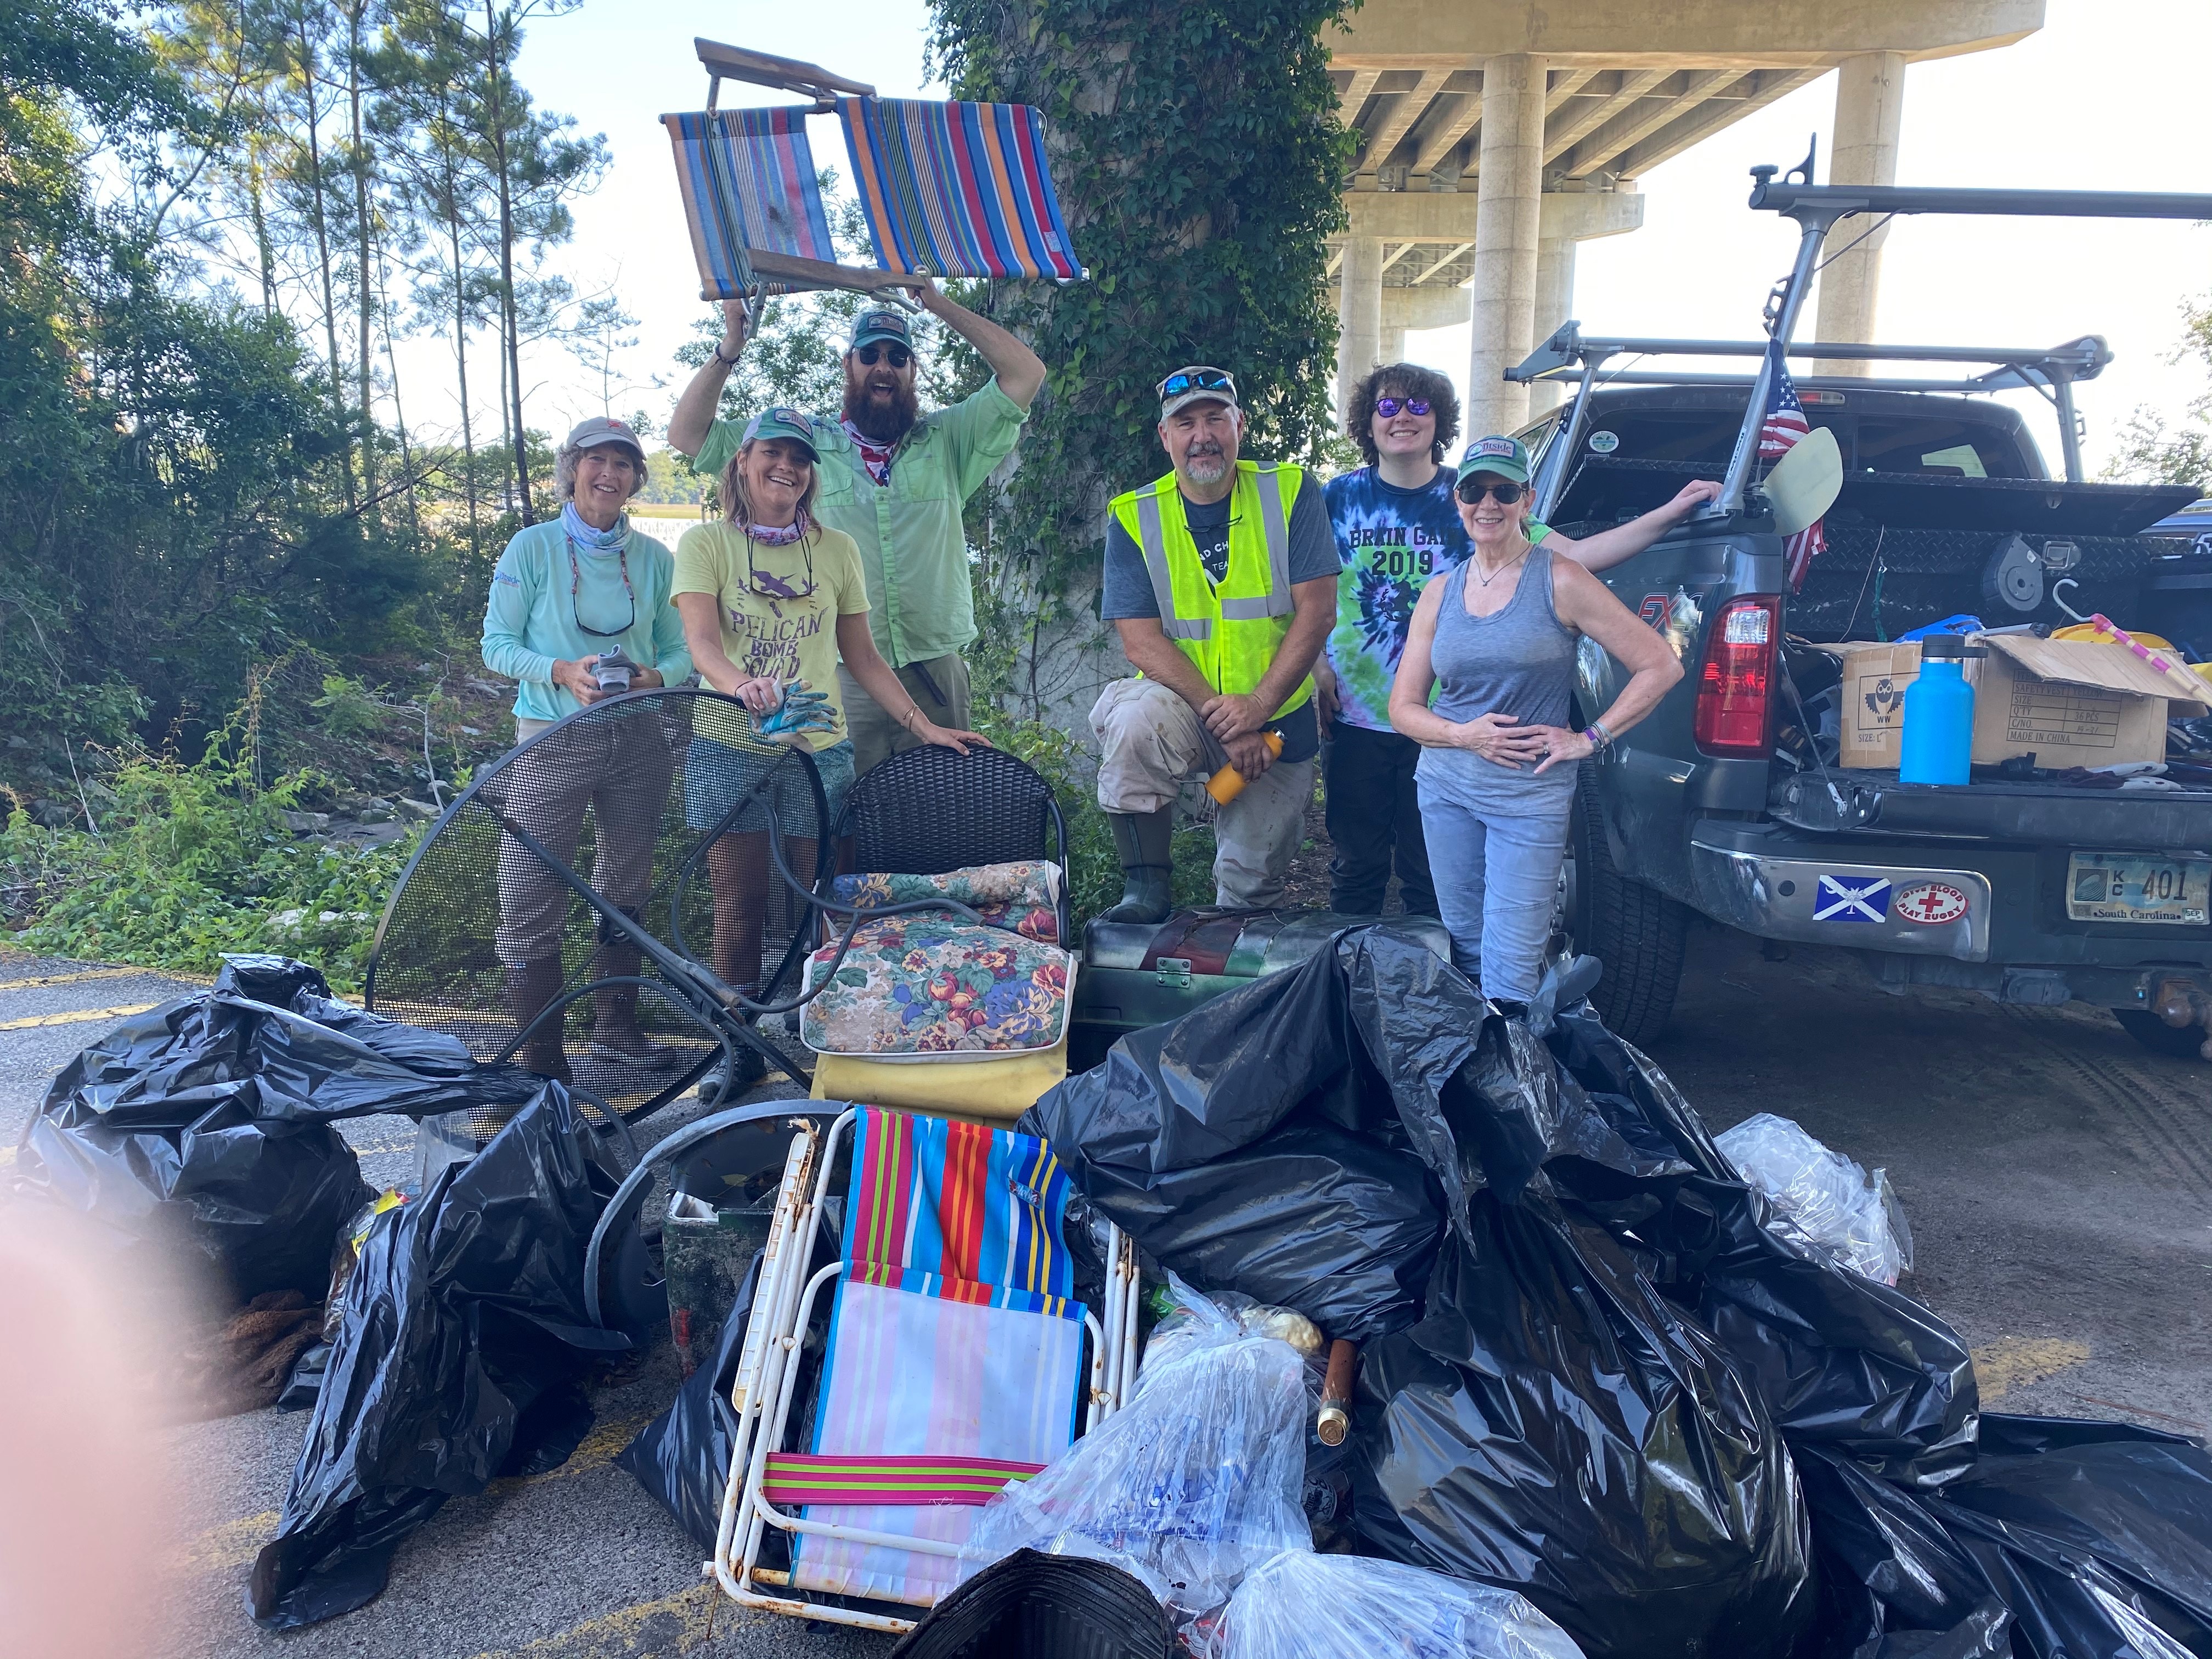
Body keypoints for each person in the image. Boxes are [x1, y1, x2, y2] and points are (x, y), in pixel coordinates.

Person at [1319, 362, 1723, 918]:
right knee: (1355, 865)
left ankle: (1434, 993)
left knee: (1430, 877)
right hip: (1357, 713)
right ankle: (1347, 986)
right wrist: (1316, 665)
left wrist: (1672, 513)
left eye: (1419, 406)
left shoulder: (1480, 494)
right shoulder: (1335, 499)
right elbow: (1303, 589)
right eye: (1388, 406)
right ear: (1368, 421)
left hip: (1457, 723)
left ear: (1441, 421)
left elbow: (1577, 557)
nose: (1403, 417)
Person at [674, 408, 990, 1091]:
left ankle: (829, 1038)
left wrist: (924, 724)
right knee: (740, 908)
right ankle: (735, 1049)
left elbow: (863, 656)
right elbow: (700, 643)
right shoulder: (706, 545)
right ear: (744, 460)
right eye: (773, 453)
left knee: (827, 903)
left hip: (820, 750)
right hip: (729, 747)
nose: (786, 466)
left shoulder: (837, 549)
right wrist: (741, 685)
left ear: (812, 472)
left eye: (800, 457)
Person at [667, 284, 1046, 774]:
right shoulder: (806, 447)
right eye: (870, 354)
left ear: (913, 371)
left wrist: (935, 301)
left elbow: (1026, 374)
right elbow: (687, 435)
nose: (883, 366)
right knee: (846, 822)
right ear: (849, 366)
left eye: (898, 356)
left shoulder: (951, 439)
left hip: (935, 670)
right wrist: (729, 349)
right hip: (844, 675)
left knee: (940, 817)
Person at [1389, 435, 1684, 1012]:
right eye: (1475, 490)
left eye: (1504, 490)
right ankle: (1480, 1076)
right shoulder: (1440, 592)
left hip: (1528, 798)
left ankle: (1520, 1085)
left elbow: (1660, 665)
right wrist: (1462, 735)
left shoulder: (1561, 579)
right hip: (1446, 789)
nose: (1489, 504)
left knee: (1512, 964)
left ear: (1529, 499)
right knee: (1466, 944)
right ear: (1458, 499)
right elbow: (1403, 708)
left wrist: (1588, 738)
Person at [480, 416, 693, 1080]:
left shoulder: (656, 560)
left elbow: (685, 652)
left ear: (636, 478)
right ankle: (544, 1060)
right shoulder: (531, 548)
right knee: (526, 890)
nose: (609, 475)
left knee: (626, 880)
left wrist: (652, 677)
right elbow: (495, 646)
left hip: (637, 737)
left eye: (624, 464)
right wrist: (563, 672)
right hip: (548, 737)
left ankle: (616, 1031)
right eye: (596, 461)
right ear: (571, 468)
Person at [1091, 366, 1338, 923]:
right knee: (1133, 718)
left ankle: (1237, 966)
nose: (1202, 434)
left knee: (1250, 892)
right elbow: (1141, 642)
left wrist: (1256, 710)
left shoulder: (1292, 491)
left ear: (1240, 425)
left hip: (1275, 733)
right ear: (1165, 437)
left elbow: (1318, 613)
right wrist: (1231, 718)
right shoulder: (1134, 516)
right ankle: (1146, 891)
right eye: (1185, 422)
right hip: (1193, 714)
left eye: (1214, 418)